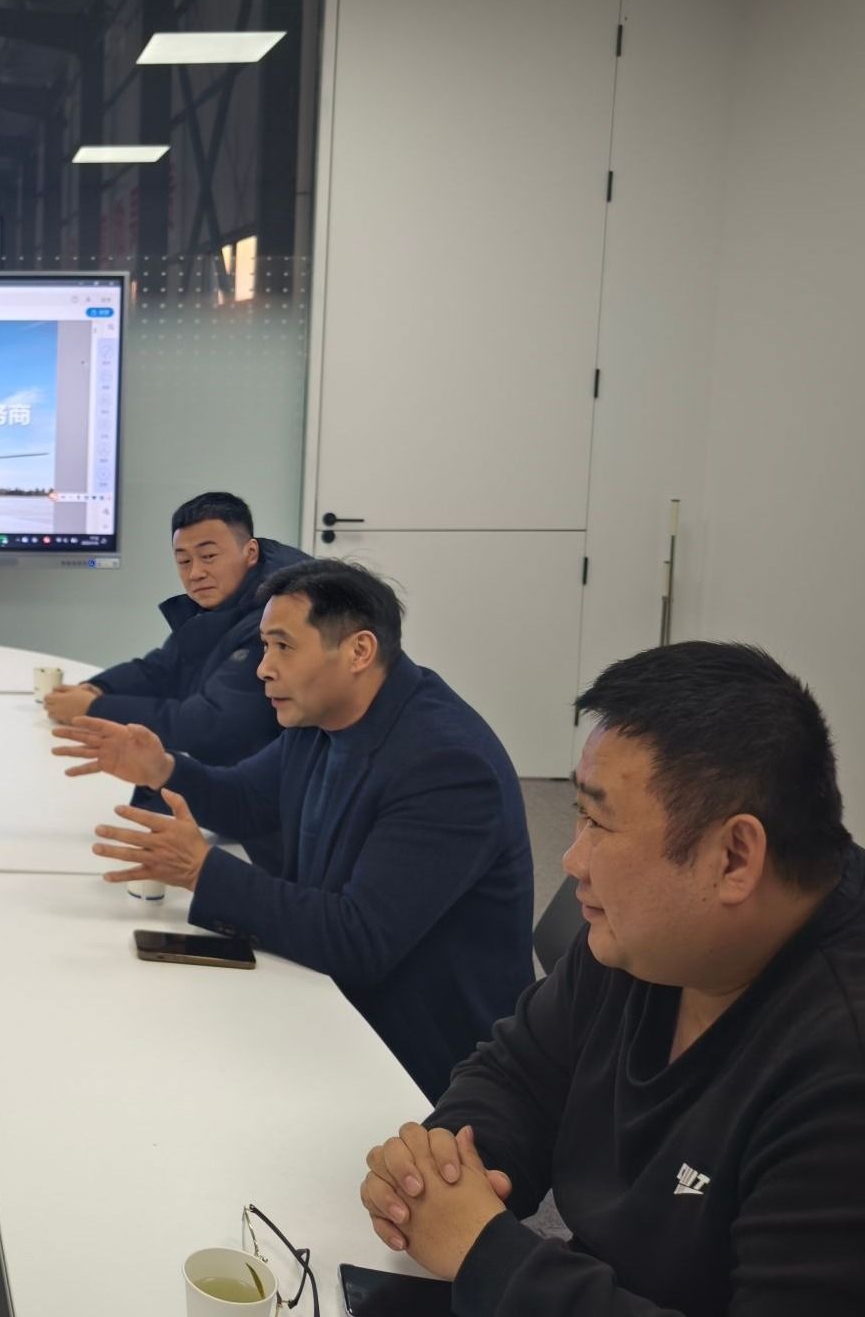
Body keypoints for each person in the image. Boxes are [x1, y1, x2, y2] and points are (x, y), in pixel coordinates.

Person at [357, 643, 865, 1316]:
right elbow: (518, 1073)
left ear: (735, 857)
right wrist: (446, 1166)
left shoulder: (839, 1063)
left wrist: (486, 1254)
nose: (572, 858)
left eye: (599, 820)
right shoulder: (649, 941)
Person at [53, 558, 534, 1098]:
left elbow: (359, 939)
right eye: (264, 647)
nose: (263, 668)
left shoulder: (447, 766)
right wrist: (163, 768)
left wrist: (201, 871)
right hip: (330, 992)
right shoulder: (322, 714)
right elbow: (248, 800)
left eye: (283, 646)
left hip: (417, 1060)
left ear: (358, 651)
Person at [43, 491, 306, 767]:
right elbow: (164, 667)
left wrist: (92, 709)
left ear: (250, 552)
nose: (195, 573)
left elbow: (209, 725)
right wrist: (99, 687)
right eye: (184, 561)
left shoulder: (276, 619)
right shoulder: (225, 601)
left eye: (208, 556)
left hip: (257, 781)